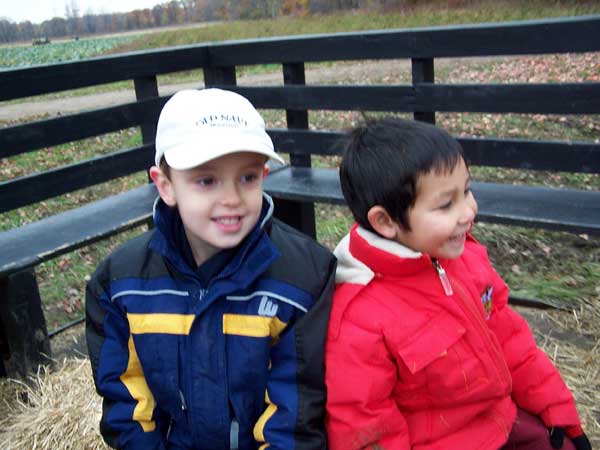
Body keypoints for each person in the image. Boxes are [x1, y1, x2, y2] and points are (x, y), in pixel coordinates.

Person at [86, 88, 336, 450]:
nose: (232, 198)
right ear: (166, 186)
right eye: (207, 180)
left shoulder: (303, 279)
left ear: (264, 174)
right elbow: (128, 406)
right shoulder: (121, 286)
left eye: (248, 177)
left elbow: (294, 414)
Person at [325, 117, 591, 450]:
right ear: (386, 221)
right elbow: (364, 423)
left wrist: (558, 411)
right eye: (446, 204)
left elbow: (513, 344)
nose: (468, 212)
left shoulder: (466, 261)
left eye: (466, 190)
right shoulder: (359, 316)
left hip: (501, 419)